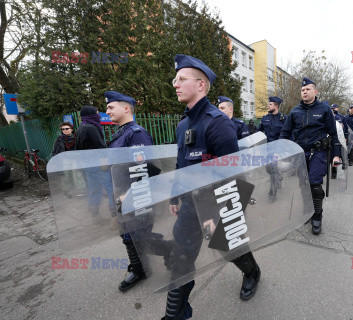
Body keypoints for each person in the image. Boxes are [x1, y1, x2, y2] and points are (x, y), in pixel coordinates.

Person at [166, 54, 261, 320]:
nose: (175, 84)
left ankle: (252, 271)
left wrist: (215, 215)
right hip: (190, 203)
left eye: (181, 79)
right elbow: (180, 163)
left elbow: (231, 175)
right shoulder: (183, 124)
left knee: (229, 248)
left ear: (200, 85)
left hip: (220, 200)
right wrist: (175, 196)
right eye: (175, 79)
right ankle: (176, 314)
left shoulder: (219, 123)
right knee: (181, 258)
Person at [104, 90, 158, 292]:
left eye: (111, 107)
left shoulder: (136, 134)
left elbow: (146, 167)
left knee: (138, 235)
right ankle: (140, 267)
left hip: (134, 196)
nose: (107, 110)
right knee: (128, 235)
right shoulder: (121, 133)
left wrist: (132, 193)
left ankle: (168, 251)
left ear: (126, 108)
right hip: (122, 195)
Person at [280, 78, 341, 235]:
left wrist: (336, 155)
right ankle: (308, 210)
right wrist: (281, 151)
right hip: (300, 153)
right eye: (302, 90)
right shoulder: (294, 112)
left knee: (314, 184)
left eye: (307, 89)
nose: (304, 92)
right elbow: (285, 133)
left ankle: (317, 216)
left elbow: (333, 134)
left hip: (318, 152)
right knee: (303, 184)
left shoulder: (325, 109)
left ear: (315, 91)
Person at [75, 105, 115, 222]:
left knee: (94, 191)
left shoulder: (81, 128)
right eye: (96, 113)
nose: (98, 115)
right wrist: (105, 163)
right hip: (98, 165)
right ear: (91, 115)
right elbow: (100, 146)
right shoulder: (91, 128)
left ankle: (95, 217)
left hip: (87, 166)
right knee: (110, 190)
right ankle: (114, 219)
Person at [258, 96, 287, 200]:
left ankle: (272, 194)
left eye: (270, 104)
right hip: (268, 149)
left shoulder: (284, 119)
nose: (268, 106)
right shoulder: (265, 118)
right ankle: (279, 175)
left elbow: (289, 134)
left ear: (276, 106)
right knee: (269, 170)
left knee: (273, 172)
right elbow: (258, 132)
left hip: (278, 149)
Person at [330, 104, 348, 179]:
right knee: (331, 155)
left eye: (334, 108)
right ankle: (333, 171)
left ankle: (343, 163)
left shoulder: (340, 117)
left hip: (339, 137)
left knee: (338, 153)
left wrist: (345, 137)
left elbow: (345, 128)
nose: (333, 110)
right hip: (329, 139)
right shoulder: (327, 117)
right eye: (332, 108)